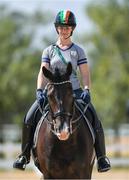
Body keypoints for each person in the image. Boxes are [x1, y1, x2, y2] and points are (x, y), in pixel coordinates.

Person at [13, 10, 111, 172]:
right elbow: (42, 71)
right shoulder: (49, 50)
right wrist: (39, 90)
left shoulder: (78, 50)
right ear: (57, 28)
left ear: (72, 29)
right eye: (61, 27)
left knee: (94, 118)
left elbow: (85, 73)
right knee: (29, 117)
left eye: (67, 27)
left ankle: (101, 158)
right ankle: (24, 155)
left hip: (75, 93)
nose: (64, 30)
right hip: (53, 93)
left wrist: (87, 89)